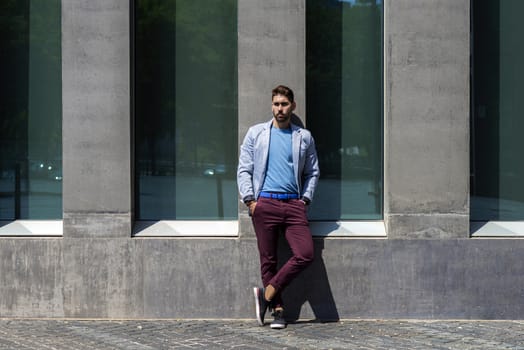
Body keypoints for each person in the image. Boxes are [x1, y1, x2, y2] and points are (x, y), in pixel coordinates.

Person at [237, 85, 320, 329]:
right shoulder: (256, 133)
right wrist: (251, 201)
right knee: (268, 260)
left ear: (293, 106)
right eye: (276, 104)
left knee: (305, 254)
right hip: (265, 203)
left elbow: (313, 172)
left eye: (284, 104)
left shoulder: (303, 137)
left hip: (294, 204)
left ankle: (267, 294)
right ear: (271, 105)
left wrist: (305, 199)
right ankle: (278, 311)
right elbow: (244, 168)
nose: (279, 109)